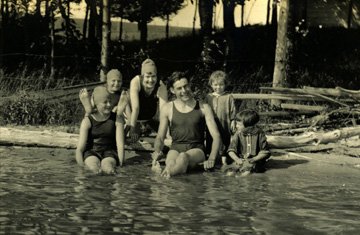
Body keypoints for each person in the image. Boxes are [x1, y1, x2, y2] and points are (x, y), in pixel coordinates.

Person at [151, 71, 221, 178]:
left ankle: (166, 175)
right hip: (175, 148)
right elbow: (160, 137)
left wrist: (211, 158)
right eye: (179, 88)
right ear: (172, 90)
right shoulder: (167, 108)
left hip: (197, 149)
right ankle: (169, 175)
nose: (184, 91)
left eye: (186, 86)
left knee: (184, 156)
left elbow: (216, 136)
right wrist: (157, 152)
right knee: (170, 163)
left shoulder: (204, 108)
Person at [75, 86, 127, 174]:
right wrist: (81, 169)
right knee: (93, 168)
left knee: (108, 168)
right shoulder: (87, 121)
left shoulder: (117, 120)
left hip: (110, 152)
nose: (109, 104)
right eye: (105, 102)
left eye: (110, 101)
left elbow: (120, 145)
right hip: (92, 152)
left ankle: (120, 110)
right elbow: (80, 149)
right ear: (97, 103)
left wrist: (121, 164)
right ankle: (88, 109)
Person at [128, 59, 168, 142]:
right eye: (147, 76)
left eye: (153, 76)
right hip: (133, 117)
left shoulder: (161, 85)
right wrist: (132, 128)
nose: (150, 80)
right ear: (142, 76)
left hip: (149, 117)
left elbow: (164, 111)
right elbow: (135, 108)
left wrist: (165, 133)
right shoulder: (135, 82)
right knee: (134, 138)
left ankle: (146, 127)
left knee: (166, 133)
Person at [205, 70, 236, 166]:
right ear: (211, 84)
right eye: (215, 85)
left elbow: (233, 110)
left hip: (224, 123)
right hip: (211, 123)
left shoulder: (228, 97)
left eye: (221, 85)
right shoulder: (208, 97)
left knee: (225, 139)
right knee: (210, 138)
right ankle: (210, 156)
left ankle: (224, 159)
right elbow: (204, 111)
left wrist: (233, 120)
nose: (218, 87)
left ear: (225, 84)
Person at [226, 109, 271, 176]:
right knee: (230, 173)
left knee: (247, 173)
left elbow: (265, 152)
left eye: (239, 124)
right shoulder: (238, 134)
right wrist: (237, 159)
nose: (236, 126)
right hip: (240, 160)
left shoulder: (260, 134)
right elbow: (231, 150)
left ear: (249, 126)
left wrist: (253, 159)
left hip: (255, 161)